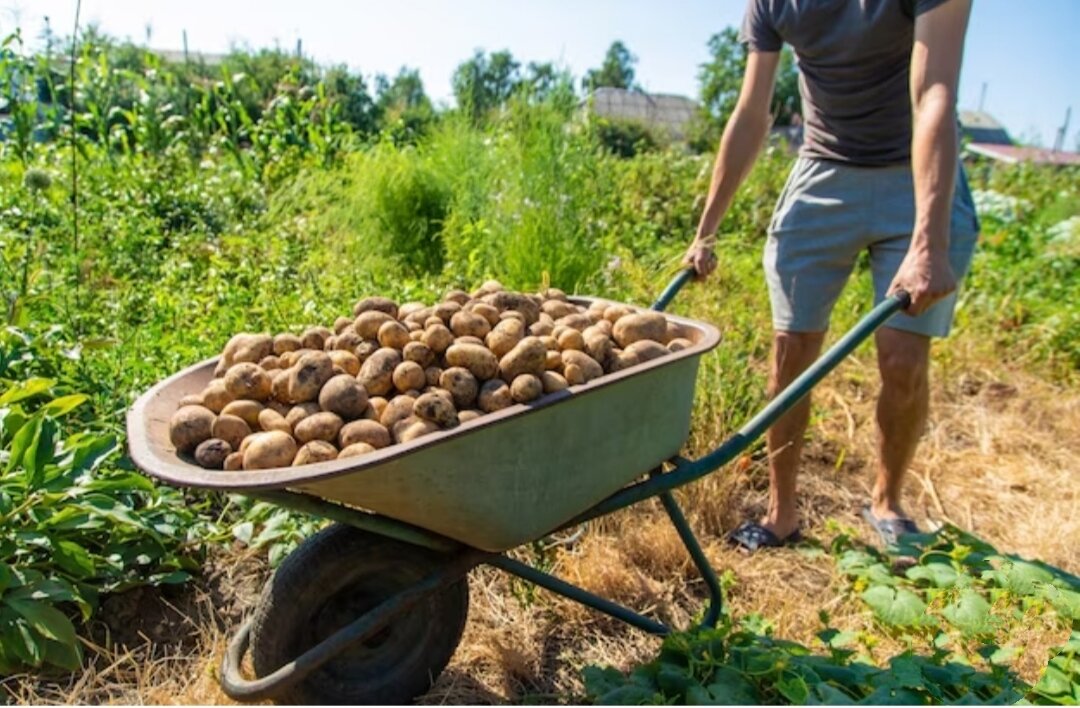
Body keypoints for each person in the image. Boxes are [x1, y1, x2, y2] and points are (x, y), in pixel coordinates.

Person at [683, 0, 980, 551]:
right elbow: (752, 111)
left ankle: (887, 502)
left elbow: (933, 92)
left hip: (911, 177)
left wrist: (928, 241)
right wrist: (706, 230)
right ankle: (782, 513)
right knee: (790, 354)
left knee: (902, 356)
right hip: (822, 171)